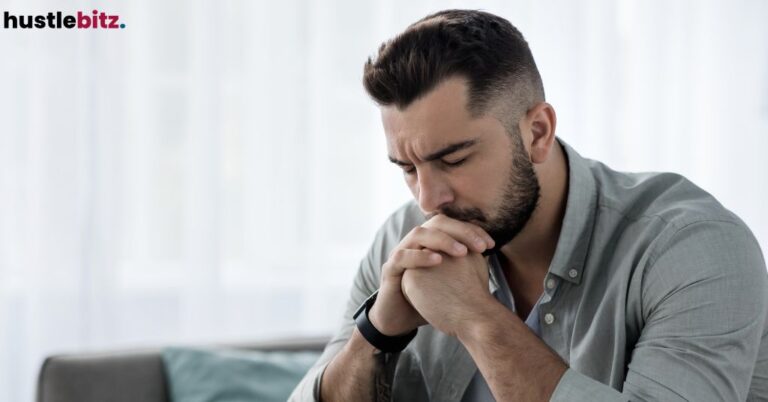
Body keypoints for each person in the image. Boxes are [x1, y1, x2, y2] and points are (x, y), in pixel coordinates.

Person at [290, 9, 768, 402]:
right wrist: (379, 332)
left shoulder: (692, 247)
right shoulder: (404, 241)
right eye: (408, 169)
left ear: (537, 132)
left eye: (453, 158)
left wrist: (477, 318)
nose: (428, 199)